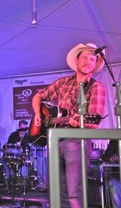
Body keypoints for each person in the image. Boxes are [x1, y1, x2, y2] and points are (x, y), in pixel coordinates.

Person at [31, 43, 106, 207]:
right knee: (58, 194)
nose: (88, 62)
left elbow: (93, 124)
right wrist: (38, 114)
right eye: (85, 58)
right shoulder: (63, 82)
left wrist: (76, 122)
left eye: (93, 59)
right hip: (55, 142)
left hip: (76, 141)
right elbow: (38, 96)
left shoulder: (96, 87)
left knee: (74, 194)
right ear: (77, 60)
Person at [101, 140, 121, 207]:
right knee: (113, 182)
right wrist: (111, 157)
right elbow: (105, 156)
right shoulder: (116, 138)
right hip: (118, 175)